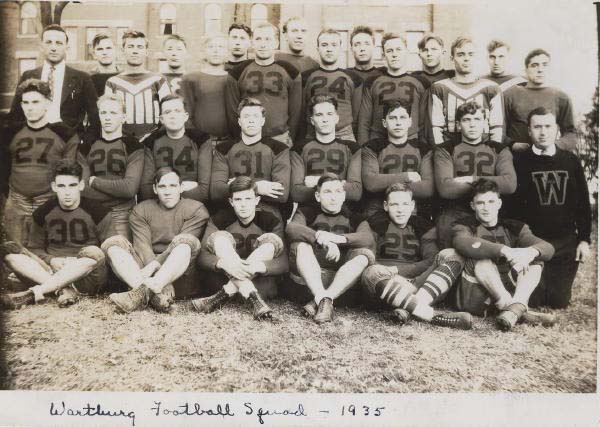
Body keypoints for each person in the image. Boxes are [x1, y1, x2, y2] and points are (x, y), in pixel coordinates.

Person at [0, 160, 114, 309]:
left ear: (81, 185)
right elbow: (35, 249)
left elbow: (108, 250)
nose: (67, 192)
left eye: (72, 185)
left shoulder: (98, 211)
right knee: (10, 254)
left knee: (95, 252)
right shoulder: (42, 212)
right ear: (54, 187)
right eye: (61, 186)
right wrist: (52, 260)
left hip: (86, 274)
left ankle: (38, 291)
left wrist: (77, 262)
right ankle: (63, 290)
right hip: (51, 270)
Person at [508, 108, 591, 308]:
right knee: (534, 300)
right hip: (533, 242)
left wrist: (584, 240)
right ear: (529, 131)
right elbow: (511, 208)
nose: (543, 132)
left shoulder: (570, 161)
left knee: (558, 302)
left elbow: (583, 204)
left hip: (564, 242)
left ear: (557, 130)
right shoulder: (519, 162)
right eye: (537, 127)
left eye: (548, 126)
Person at [360, 183, 471, 329]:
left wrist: (400, 272)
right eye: (395, 205)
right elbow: (370, 260)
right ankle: (431, 315)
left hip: (419, 285)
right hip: (385, 285)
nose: (400, 210)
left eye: (405, 204)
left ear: (412, 205)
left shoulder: (423, 227)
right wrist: (393, 276)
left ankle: (410, 307)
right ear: (386, 206)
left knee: (452, 254)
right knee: (371, 272)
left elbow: (430, 260)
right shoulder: (374, 224)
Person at [452, 179, 555, 331]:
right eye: (481, 203)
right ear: (473, 206)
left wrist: (529, 252)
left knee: (535, 258)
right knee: (482, 258)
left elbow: (547, 247)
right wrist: (504, 250)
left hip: (509, 287)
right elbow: (462, 242)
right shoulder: (464, 225)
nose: (486, 208)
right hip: (477, 294)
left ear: (499, 204)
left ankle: (514, 309)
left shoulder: (513, 226)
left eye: (491, 202)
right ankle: (516, 309)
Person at [103, 167, 209, 311]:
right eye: (162, 186)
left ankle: (144, 290)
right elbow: (142, 246)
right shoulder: (142, 209)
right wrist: (156, 272)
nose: (167, 191)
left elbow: (185, 245)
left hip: (179, 274)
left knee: (184, 242)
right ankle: (153, 295)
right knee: (113, 244)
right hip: (145, 269)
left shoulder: (196, 209)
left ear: (181, 187)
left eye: (173, 186)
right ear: (154, 189)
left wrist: (163, 274)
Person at [192, 176, 288, 319]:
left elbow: (284, 263)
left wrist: (258, 267)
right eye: (238, 199)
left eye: (248, 199)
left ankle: (222, 295)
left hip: (259, 281)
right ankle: (253, 298)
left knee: (271, 241)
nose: (243, 204)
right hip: (224, 276)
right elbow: (202, 257)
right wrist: (224, 263)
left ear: (257, 200)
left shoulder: (270, 218)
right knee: (219, 239)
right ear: (231, 202)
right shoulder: (220, 218)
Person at [285, 173, 376, 324]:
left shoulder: (354, 217)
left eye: (338, 192)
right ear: (317, 196)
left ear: (344, 195)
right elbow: (291, 228)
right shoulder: (308, 212)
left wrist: (337, 238)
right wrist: (320, 238)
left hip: (340, 282)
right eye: (327, 192)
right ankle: (323, 298)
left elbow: (368, 238)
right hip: (309, 279)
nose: (334, 197)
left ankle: (322, 300)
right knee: (300, 245)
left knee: (364, 255)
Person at [0, 79, 79, 247]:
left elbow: (67, 171)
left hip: (48, 199)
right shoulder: (10, 132)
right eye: (26, 102)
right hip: (16, 200)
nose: (30, 107)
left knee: (49, 250)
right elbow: (4, 168)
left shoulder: (65, 133)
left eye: (35, 102)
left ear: (48, 103)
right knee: (14, 251)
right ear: (21, 105)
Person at [434, 101, 516, 248]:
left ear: (484, 123)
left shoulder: (499, 148)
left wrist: (472, 179)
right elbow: (446, 189)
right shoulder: (446, 149)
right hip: (456, 212)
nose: (472, 124)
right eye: (466, 120)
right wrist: (493, 183)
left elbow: (509, 184)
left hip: (489, 211)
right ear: (458, 125)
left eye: (477, 119)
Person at [8, 24, 100, 144]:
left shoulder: (82, 78)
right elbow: (15, 115)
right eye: (49, 42)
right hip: (33, 142)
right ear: (41, 46)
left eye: (59, 43)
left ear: (66, 47)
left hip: (68, 143)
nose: (53, 48)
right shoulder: (28, 76)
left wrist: (83, 141)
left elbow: (95, 117)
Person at [78, 94, 144, 239]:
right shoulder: (87, 145)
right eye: (103, 113)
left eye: (113, 113)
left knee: (118, 253)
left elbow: (129, 189)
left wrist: (95, 181)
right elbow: (82, 189)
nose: (107, 117)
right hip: (92, 211)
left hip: (120, 214)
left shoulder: (133, 145)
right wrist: (115, 190)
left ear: (124, 117)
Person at [225, 23, 302, 147]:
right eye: (258, 39)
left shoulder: (290, 71)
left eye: (268, 39)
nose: (263, 44)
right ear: (252, 43)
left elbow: (296, 110)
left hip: (280, 138)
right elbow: (232, 111)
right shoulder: (237, 72)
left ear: (276, 43)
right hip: (246, 139)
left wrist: (290, 137)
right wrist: (239, 139)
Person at [211, 98, 290, 217]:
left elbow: (282, 194)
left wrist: (235, 185)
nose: (251, 121)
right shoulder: (223, 148)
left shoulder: (279, 148)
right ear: (239, 121)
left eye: (255, 116)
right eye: (246, 116)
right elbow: (216, 192)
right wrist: (258, 187)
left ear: (262, 120)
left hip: (267, 211)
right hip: (233, 211)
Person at [362, 100, 433, 216]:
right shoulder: (372, 147)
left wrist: (384, 182)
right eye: (393, 118)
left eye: (403, 118)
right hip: (380, 210)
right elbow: (371, 183)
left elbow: (427, 188)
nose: (398, 122)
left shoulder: (423, 149)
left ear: (410, 121)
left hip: (413, 211)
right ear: (384, 123)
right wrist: (407, 176)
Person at [429, 36, 503, 146]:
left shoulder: (491, 88)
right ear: (452, 58)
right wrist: (442, 152)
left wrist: (493, 152)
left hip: (484, 152)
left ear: (476, 57)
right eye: (460, 54)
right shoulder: (440, 88)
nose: (466, 58)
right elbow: (435, 128)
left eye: (471, 54)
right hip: (449, 152)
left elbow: (497, 128)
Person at [139, 95, 212, 205]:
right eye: (167, 112)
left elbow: (203, 192)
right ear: (162, 119)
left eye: (177, 111)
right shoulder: (151, 141)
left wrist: (164, 192)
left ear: (185, 116)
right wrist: (180, 188)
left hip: (192, 205)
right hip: (159, 207)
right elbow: (146, 191)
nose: (173, 116)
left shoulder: (200, 140)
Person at [357, 32, 427, 144]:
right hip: (378, 143)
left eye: (398, 49)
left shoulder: (420, 83)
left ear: (406, 52)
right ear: (384, 55)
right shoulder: (372, 82)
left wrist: (423, 148)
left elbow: (424, 122)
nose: (394, 54)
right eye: (389, 51)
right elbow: (364, 121)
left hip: (411, 143)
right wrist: (364, 148)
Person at [291, 95, 362, 205]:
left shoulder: (352, 148)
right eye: (319, 115)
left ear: (336, 118)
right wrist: (340, 185)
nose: (325, 119)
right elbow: (296, 192)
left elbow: (355, 192)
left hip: (342, 210)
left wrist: (317, 182)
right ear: (312, 120)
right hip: (309, 210)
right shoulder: (299, 148)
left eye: (329, 114)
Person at [504, 49, 577, 152]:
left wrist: (553, 146)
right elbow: (498, 130)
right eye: (534, 65)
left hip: (548, 158)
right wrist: (512, 145)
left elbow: (571, 133)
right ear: (525, 69)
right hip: (516, 157)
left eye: (544, 65)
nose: (540, 69)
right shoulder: (510, 94)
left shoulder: (561, 97)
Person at [105, 30, 171, 139]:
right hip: (122, 142)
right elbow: (108, 117)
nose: (135, 51)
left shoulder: (159, 80)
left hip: (153, 142)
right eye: (130, 46)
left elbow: (168, 114)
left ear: (146, 52)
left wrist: (154, 136)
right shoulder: (112, 82)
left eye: (140, 47)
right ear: (123, 50)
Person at [300, 29, 363, 142]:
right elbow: (304, 109)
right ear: (318, 49)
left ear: (340, 48)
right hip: (314, 132)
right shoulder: (306, 77)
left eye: (334, 45)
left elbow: (356, 111)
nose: (329, 49)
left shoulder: (353, 78)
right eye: (324, 45)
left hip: (344, 132)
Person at [180, 34, 230, 140]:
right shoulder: (191, 78)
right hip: (199, 140)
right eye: (211, 47)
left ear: (227, 53)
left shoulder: (232, 79)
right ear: (203, 53)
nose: (216, 50)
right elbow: (186, 111)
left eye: (220, 47)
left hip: (228, 140)